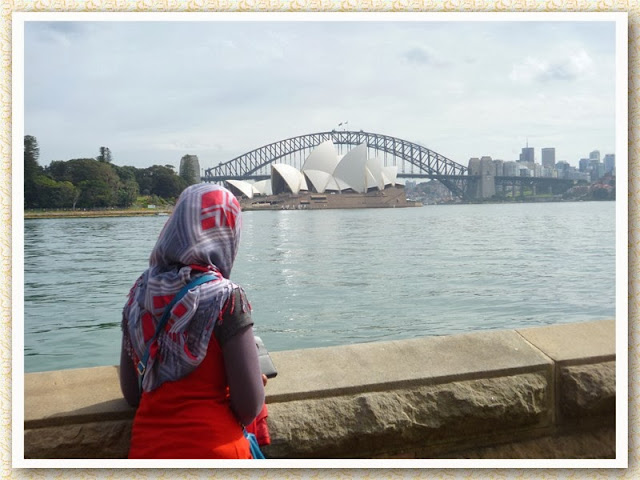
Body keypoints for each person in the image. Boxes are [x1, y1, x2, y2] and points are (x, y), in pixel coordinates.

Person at [119, 183, 267, 459]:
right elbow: (249, 407)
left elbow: (131, 394)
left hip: (147, 453)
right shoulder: (225, 297)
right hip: (217, 452)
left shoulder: (139, 293)